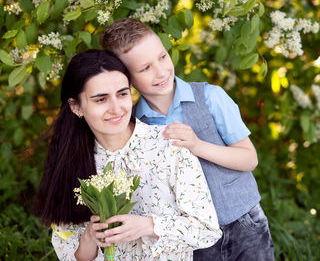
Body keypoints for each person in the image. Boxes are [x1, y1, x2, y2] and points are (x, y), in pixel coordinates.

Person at [100, 18, 274, 260]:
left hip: (244, 223)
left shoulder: (211, 97)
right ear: (126, 79)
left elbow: (249, 159)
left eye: (162, 57)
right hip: (192, 237)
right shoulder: (137, 125)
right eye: (145, 68)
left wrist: (198, 146)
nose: (161, 71)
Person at [31, 50, 222, 260]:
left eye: (122, 94)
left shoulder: (170, 145)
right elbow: (69, 254)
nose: (116, 109)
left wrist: (148, 225)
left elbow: (207, 230)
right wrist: (89, 238)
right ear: (76, 107)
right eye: (101, 99)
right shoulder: (70, 163)